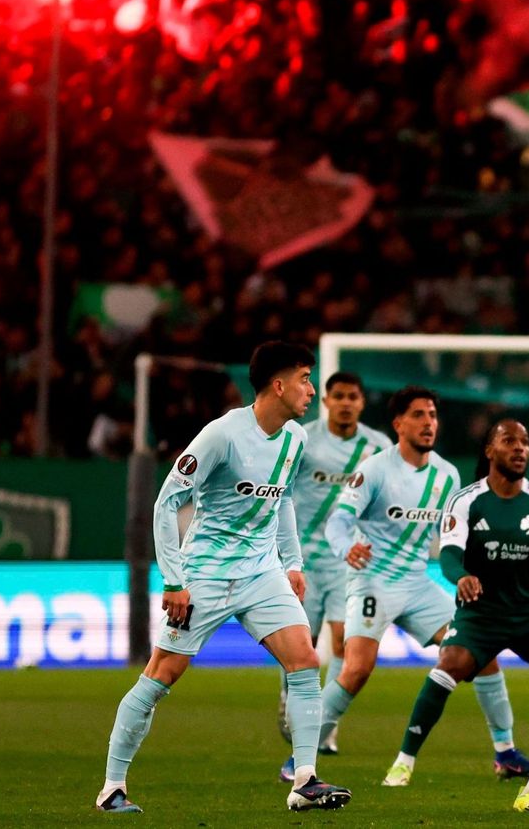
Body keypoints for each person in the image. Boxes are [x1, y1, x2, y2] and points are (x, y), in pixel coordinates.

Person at [94, 341, 350, 813]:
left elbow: (283, 500)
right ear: (278, 385)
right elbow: (167, 502)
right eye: (305, 380)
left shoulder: (295, 438)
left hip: (262, 572)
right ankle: (112, 787)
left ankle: (305, 780)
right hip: (206, 574)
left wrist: (292, 562)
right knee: (161, 675)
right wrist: (174, 580)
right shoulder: (221, 435)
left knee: (304, 661)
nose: (312, 391)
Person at [381, 418, 529, 787]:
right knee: (449, 665)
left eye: (524, 442)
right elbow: (449, 556)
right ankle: (403, 762)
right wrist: (461, 576)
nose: (519, 448)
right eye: (509, 441)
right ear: (490, 450)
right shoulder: (466, 501)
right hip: (481, 614)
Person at [288, 386, 460, 780]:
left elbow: (451, 534)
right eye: (418, 415)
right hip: (372, 581)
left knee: (471, 647)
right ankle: (302, 755)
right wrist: (347, 547)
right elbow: (339, 521)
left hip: (417, 584)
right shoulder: (374, 469)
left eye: (432, 415)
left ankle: (505, 750)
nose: (428, 423)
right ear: (399, 424)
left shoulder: (447, 475)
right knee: (357, 669)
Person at [277, 370, 390, 754]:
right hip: (304, 560)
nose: (345, 403)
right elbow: (281, 493)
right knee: (301, 644)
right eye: (338, 396)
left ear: (362, 402)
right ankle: (288, 698)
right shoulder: (302, 439)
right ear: (325, 401)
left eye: (352, 397)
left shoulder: (378, 446)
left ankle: (326, 724)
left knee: (343, 639)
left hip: (350, 560)